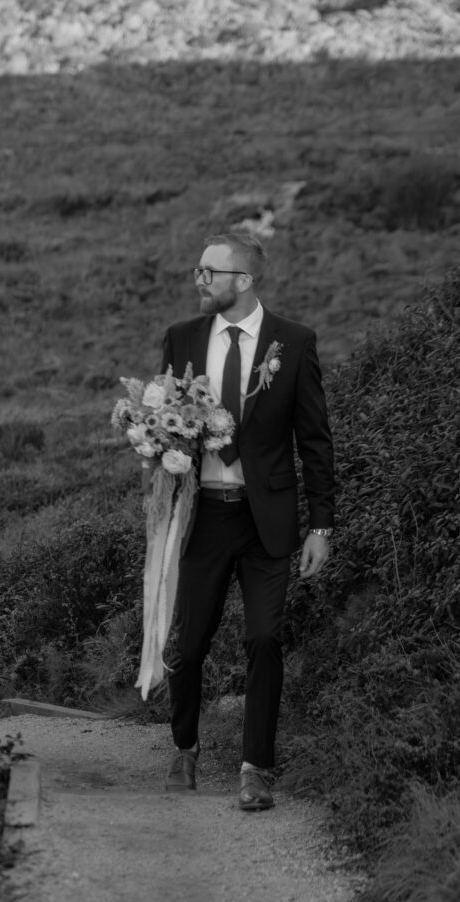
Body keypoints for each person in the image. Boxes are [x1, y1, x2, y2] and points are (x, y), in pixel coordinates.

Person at [158, 232, 335, 809]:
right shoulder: (181, 339)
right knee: (188, 645)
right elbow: (167, 423)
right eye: (198, 270)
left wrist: (320, 527)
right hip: (202, 517)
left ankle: (256, 768)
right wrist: (159, 446)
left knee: (264, 638)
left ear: (244, 280)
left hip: (268, 521)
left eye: (209, 272)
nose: (199, 279)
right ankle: (185, 746)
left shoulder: (295, 342)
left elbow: (315, 440)